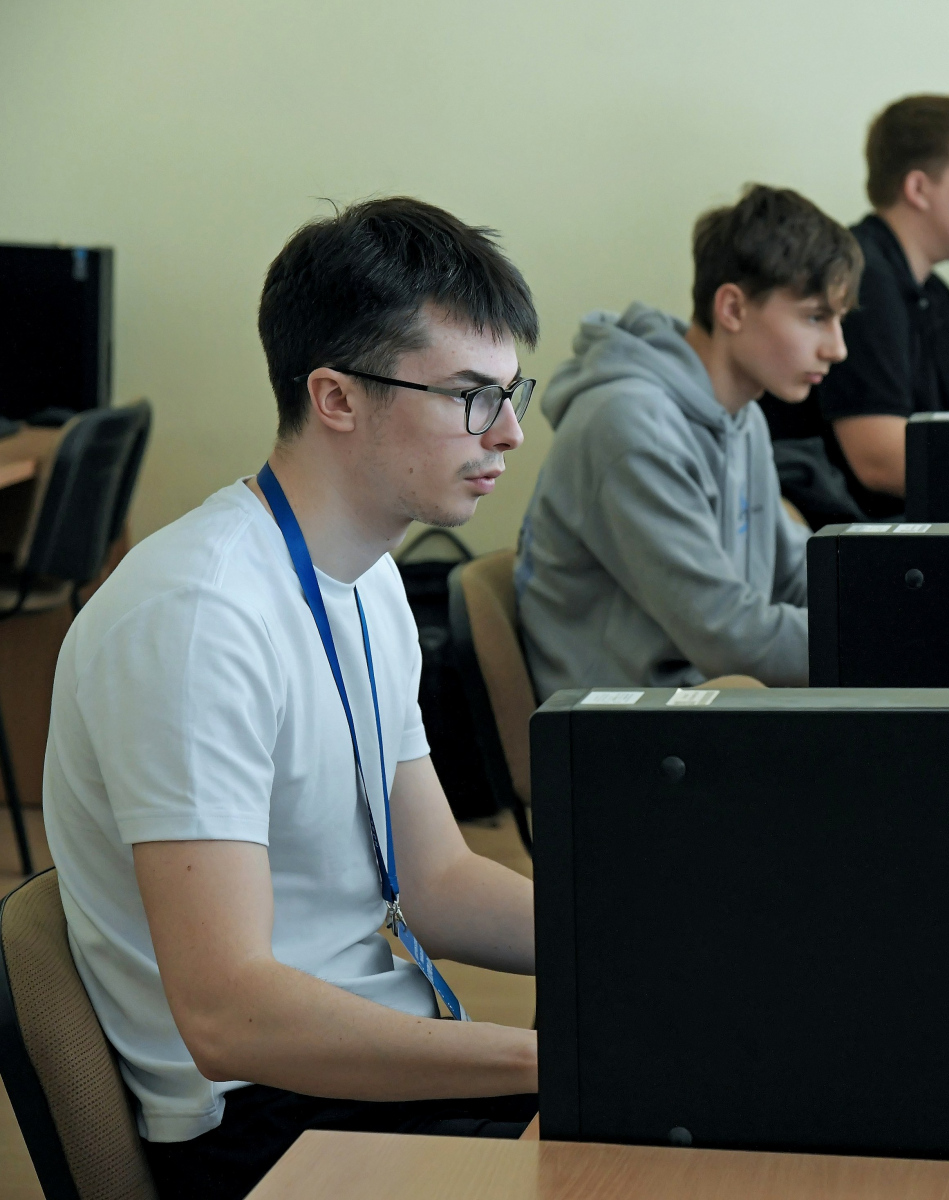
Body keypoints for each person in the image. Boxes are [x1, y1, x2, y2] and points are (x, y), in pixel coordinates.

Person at [42, 197, 541, 1200]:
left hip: (363, 1065)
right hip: (262, 1121)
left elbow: (435, 880)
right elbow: (230, 1014)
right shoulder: (198, 618)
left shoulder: (367, 578)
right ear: (337, 397)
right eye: (470, 396)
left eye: (510, 391)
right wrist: (548, 1059)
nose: (511, 431)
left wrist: (643, 941)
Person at [515, 184, 860, 695]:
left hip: (705, 694)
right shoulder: (630, 425)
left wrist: (899, 614)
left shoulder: (743, 417)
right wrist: (884, 647)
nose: (838, 348)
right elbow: (728, 635)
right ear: (733, 308)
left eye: (839, 320)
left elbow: (795, 576)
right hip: (625, 719)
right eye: (815, 317)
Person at [762, 94, 949, 525]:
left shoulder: (932, 292)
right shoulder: (863, 279)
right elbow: (881, 461)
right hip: (844, 543)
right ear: (918, 189)